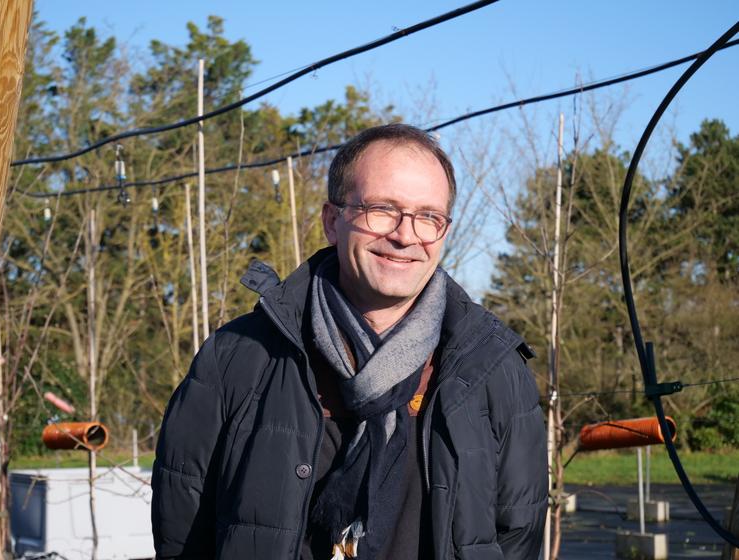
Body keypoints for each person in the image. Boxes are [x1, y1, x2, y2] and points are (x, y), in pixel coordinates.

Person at [151, 123, 548, 560]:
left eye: (428, 217)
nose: (405, 235)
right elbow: (182, 532)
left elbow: (517, 534)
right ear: (332, 222)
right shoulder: (236, 361)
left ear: (444, 233)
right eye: (382, 209)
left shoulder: (493, 370)